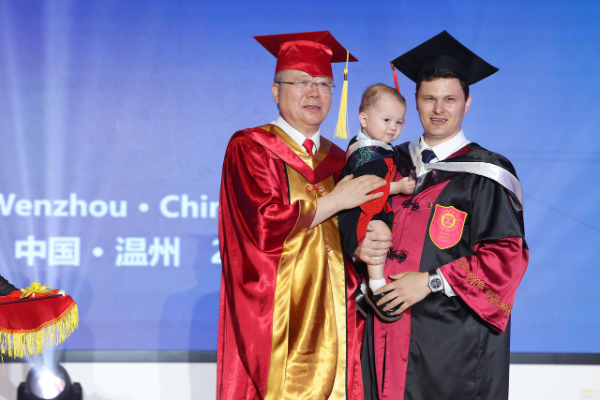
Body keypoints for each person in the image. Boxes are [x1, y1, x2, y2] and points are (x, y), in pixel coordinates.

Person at [351, 31, 529, 399]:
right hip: (380, 335)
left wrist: (431, 281)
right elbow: (351, 227)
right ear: (414, 102)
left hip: (451, 347)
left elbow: (505, 259)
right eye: (428, 98)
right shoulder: (388, 162)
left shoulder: (488, 173)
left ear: (467, 103)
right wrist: (357, 251)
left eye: (450, 99)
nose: (438, 110)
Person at [217, 31, 386, 400]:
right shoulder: (251, 148)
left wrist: (365, 246)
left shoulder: (340, 160)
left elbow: (353, 234)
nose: (314, 93)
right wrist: (335, 201)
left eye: (324, 84)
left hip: (337, 320)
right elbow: (263, 224)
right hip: (279, 321)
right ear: (275, 92)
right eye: (302, 82)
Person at [338, 84, 414, 322]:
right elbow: (368, 188)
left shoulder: (379, 147)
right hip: (359, 209)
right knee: (380, 234)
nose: (393, 127)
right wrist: (398, 188)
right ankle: (376, 285)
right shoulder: (366, 154)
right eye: (387, 120)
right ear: (364, 119)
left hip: (371, 206)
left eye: (399, 122)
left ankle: (363, 286)